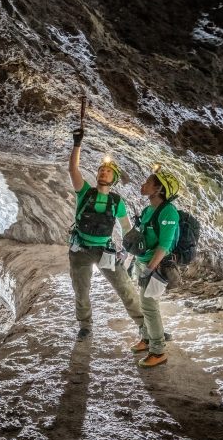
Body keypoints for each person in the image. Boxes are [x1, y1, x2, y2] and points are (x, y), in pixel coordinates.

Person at [68, 127, 146, 342]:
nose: (103, 172)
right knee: (81, 291)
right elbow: (73, 170)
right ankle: (85, 325)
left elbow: (127, 228)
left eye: (108, 171)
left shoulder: (117, 202)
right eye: (101, 170)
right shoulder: (85, 192)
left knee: (126, 289)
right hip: (81, 249)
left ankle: (144, 325)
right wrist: (77, 144)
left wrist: (128, 252)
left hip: (105, 250)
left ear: (114, 178)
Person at [132, 168, 181, 368]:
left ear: (158, 188)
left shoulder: (169, 212)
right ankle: (146, 339)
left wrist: (149, 269)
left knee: (149, 307)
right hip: (142, 261)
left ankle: (158, 350)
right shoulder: (148, 210)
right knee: (145, 304)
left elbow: (164, 245)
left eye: (148, 182)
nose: (143, 185)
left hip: (156, 266)